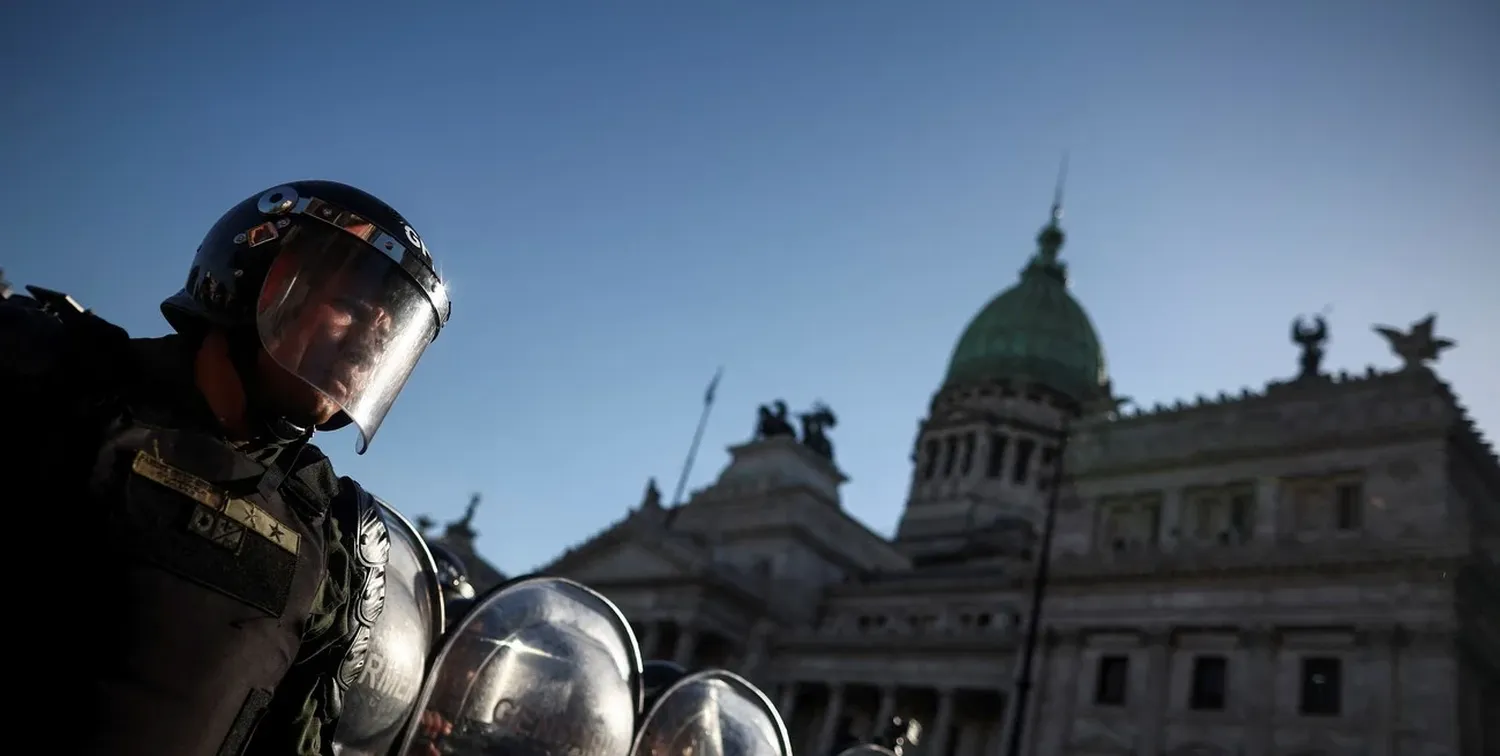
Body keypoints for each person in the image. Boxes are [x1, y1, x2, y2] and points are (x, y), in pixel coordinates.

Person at [1, 180, 452, 756]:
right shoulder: (51, 380)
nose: (368, 346)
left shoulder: (337, 530)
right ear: (256, 279)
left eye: (385, 334)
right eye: (353, 309)